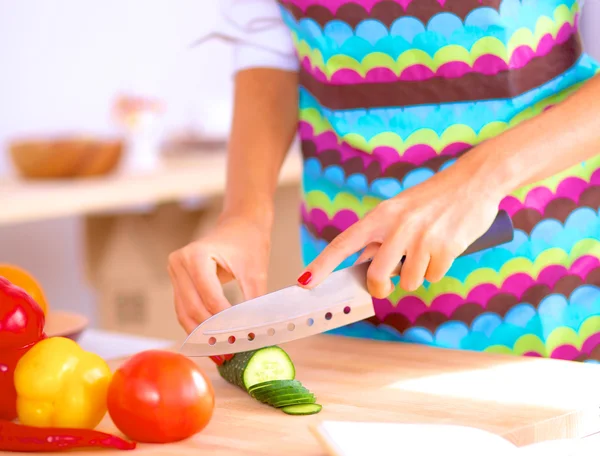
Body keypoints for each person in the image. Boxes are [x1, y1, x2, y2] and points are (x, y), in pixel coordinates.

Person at [169, 0, 600, 362]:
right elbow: (268, 46)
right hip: (350, 285)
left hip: (544, 271)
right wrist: (243, 216)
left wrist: (478, 180)